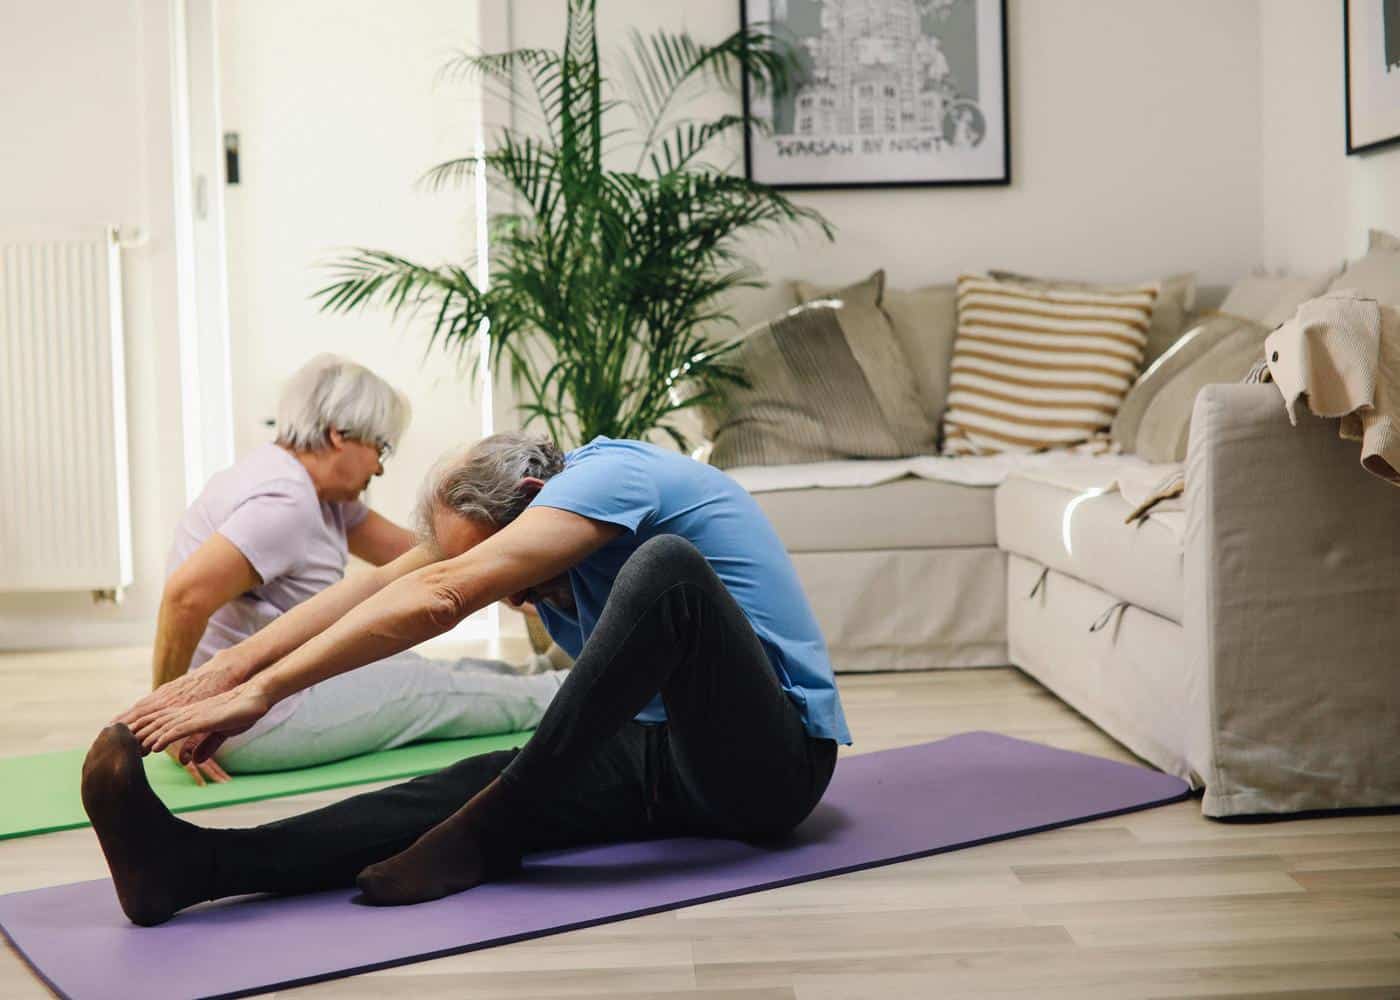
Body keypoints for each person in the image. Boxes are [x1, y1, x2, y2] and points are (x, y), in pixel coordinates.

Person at [82, 432, 850, 927]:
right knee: (466, 781)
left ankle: (489, 834)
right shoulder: (518, 513)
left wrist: (268, 695)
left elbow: (445, 596)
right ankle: (189, 869)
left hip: (773, 769)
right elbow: (371, 590)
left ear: (530, 504)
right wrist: (228, 671)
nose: (507, 595)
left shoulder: (615, 477)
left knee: (667, 572)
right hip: (665, 758)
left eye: (500, 569)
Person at [155, 354, 565, 784]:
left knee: (413, 666)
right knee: (423, 690)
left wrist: (517, 574)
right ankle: (573, 690)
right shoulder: (284, 503)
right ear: (338, 436)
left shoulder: (313, 491)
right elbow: (185, 597)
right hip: (246, 722)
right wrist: (173, 719)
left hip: (274, 691)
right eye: (379, 447)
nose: (379, 467)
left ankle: (540, 671)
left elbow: (425, 553)